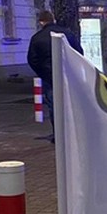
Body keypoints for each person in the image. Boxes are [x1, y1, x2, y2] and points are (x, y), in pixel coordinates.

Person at [26, 10, 82, 143]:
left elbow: (32, 60)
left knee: (54, 106)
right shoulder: (67, 34)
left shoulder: (37, 38)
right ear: (53, 19)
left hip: (49, 78)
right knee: (70, 104)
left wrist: (44, 74)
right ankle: (73, 133)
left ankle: (58, 134)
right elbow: (78, 53)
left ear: (41, 22)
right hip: (68, 76)